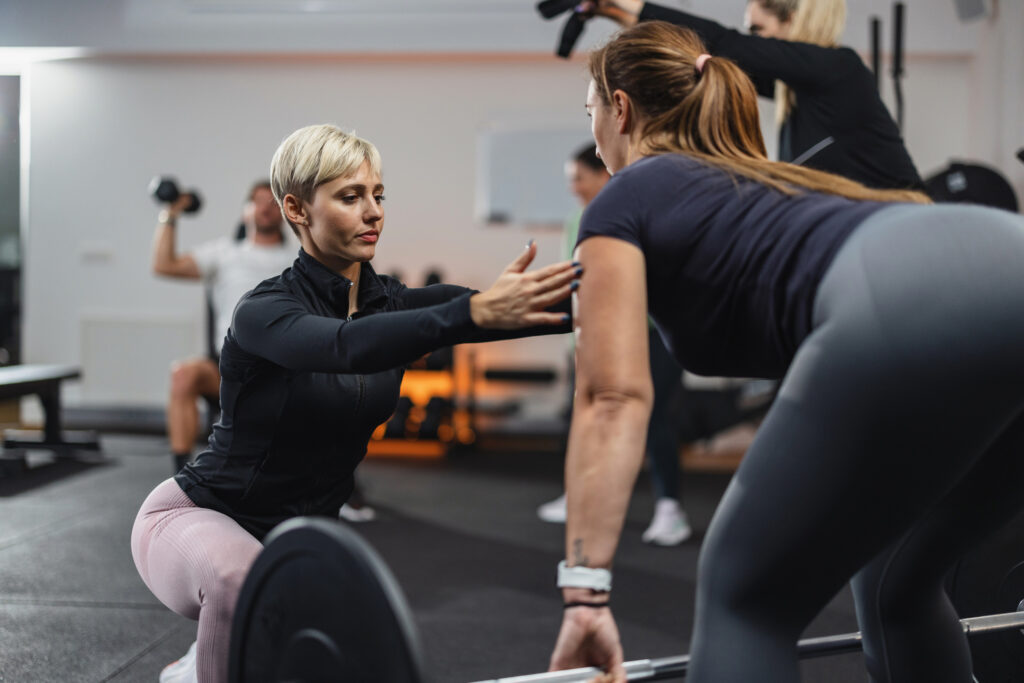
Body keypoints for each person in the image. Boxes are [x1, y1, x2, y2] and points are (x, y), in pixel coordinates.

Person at [547, 22, 1024, 683]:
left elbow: (613, 396)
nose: (594, 129)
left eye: (590, 110)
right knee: (896, 585)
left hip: (908, 295)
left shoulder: (626, 195)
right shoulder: (764, 183)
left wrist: (585, 590)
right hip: (1002, 254)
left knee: (745, 599)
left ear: (620, 109)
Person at [132, 123, 580, 683]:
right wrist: (470, 314)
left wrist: (626, 289)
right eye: (350, 197)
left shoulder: (387, 301)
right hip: (194, 519)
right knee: (235, 580)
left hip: (298, 543)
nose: (373, 213)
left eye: (378, 195)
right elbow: (343, 347)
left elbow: (521, 309)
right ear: (296, 208)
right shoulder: (263, 310)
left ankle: (205, 657)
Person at [576, 0, 924, 192]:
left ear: (792, 19)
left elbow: (728, 46)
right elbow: (711, 62)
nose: (753, 41)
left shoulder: (838, 69)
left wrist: (633, 6)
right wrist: (621, 15)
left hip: (903, 228)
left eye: (758, 30)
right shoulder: (798, 92)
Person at [538, 144, 691, 546]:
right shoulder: (576, 220)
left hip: (651, 334)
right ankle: (580, 497)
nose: (572, 187)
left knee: (655, 420)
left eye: (578, 178)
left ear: (601, 174)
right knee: (586, 416)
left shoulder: (639, 210)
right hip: (596, 337)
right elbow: (575, 282)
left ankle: (670, 510)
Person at [152, 180, 294, 474]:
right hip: (227, 370)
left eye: (272, 202)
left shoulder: (297, 260)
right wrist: (171, 213)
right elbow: (163, 265)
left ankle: (339, 483)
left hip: (282, 370)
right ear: (245, 211)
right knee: (183, 375)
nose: (264, 208)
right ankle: (182, 477)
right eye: (257, 201)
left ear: (285, 212)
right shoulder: (225, 253)